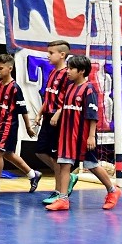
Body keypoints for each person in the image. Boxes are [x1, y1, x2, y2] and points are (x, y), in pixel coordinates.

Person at [45, 55, 122, 211]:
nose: (68, 71)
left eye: (71, 68)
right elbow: (65, 107)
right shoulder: (69, 87)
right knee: (64, 164)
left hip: (83, 136)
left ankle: (113, 191)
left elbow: (93, 115)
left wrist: (91, 135)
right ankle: (63, 199)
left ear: (81, 71)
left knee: (92, 165)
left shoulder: (88, 89)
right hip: (67, 135)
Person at [0, 54, 42, 194]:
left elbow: (23, 110)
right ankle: (33, 174)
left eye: (1, 68)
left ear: (10, 68)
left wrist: (28, 127)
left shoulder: (15, 88)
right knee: (8, 154)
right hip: (0, 125)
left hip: (9, 126)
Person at [33, 40, 78, 205]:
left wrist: (58, 114)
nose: (48, 55)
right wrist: (39, 113)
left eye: (51, 53)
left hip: (58, 120)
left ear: (62, 55)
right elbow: (48, 96)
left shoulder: (68, 75)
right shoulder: (52, 73)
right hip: (47, 118)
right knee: (40, 151)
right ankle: (68, 176)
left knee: (56, 157)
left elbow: (68, 99)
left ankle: (59, 191)